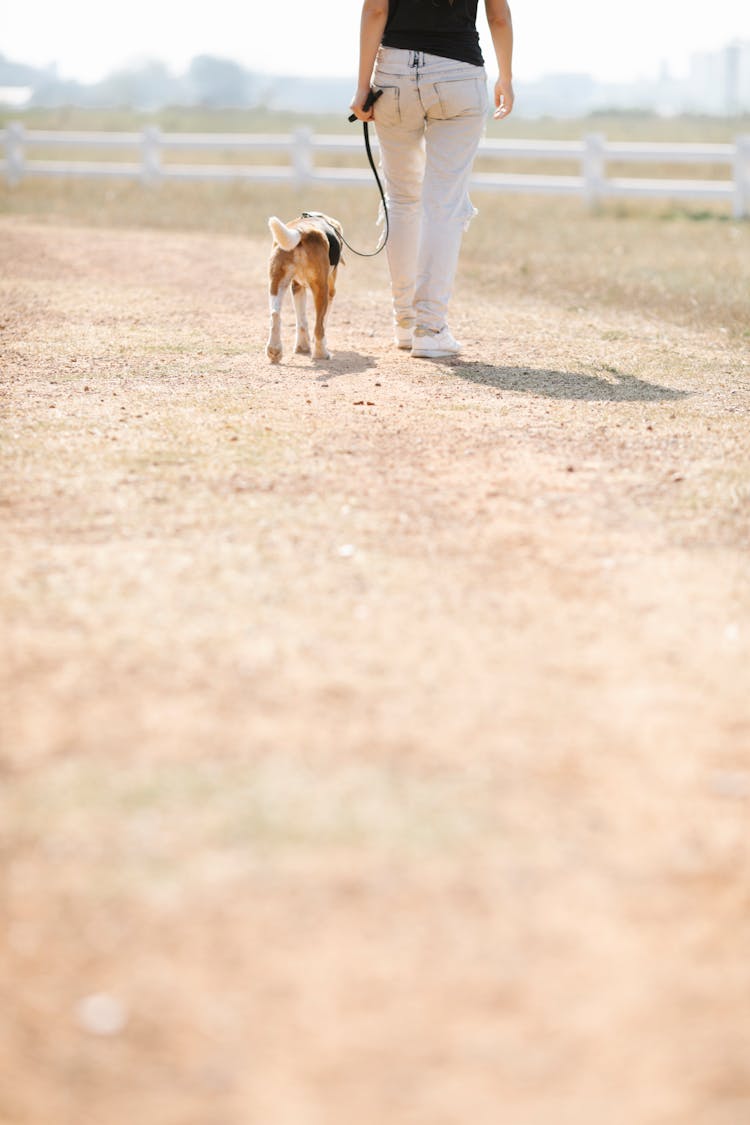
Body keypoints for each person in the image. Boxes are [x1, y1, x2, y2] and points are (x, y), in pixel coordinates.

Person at [350, 0, 514, 358]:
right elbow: (497, 16)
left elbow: (375, 11)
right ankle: (430, 327)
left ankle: (405, 322)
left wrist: (362, 86)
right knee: (444, 203)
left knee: (401, 199)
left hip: (393, 73)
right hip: (458, 74)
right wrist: (506, 75)